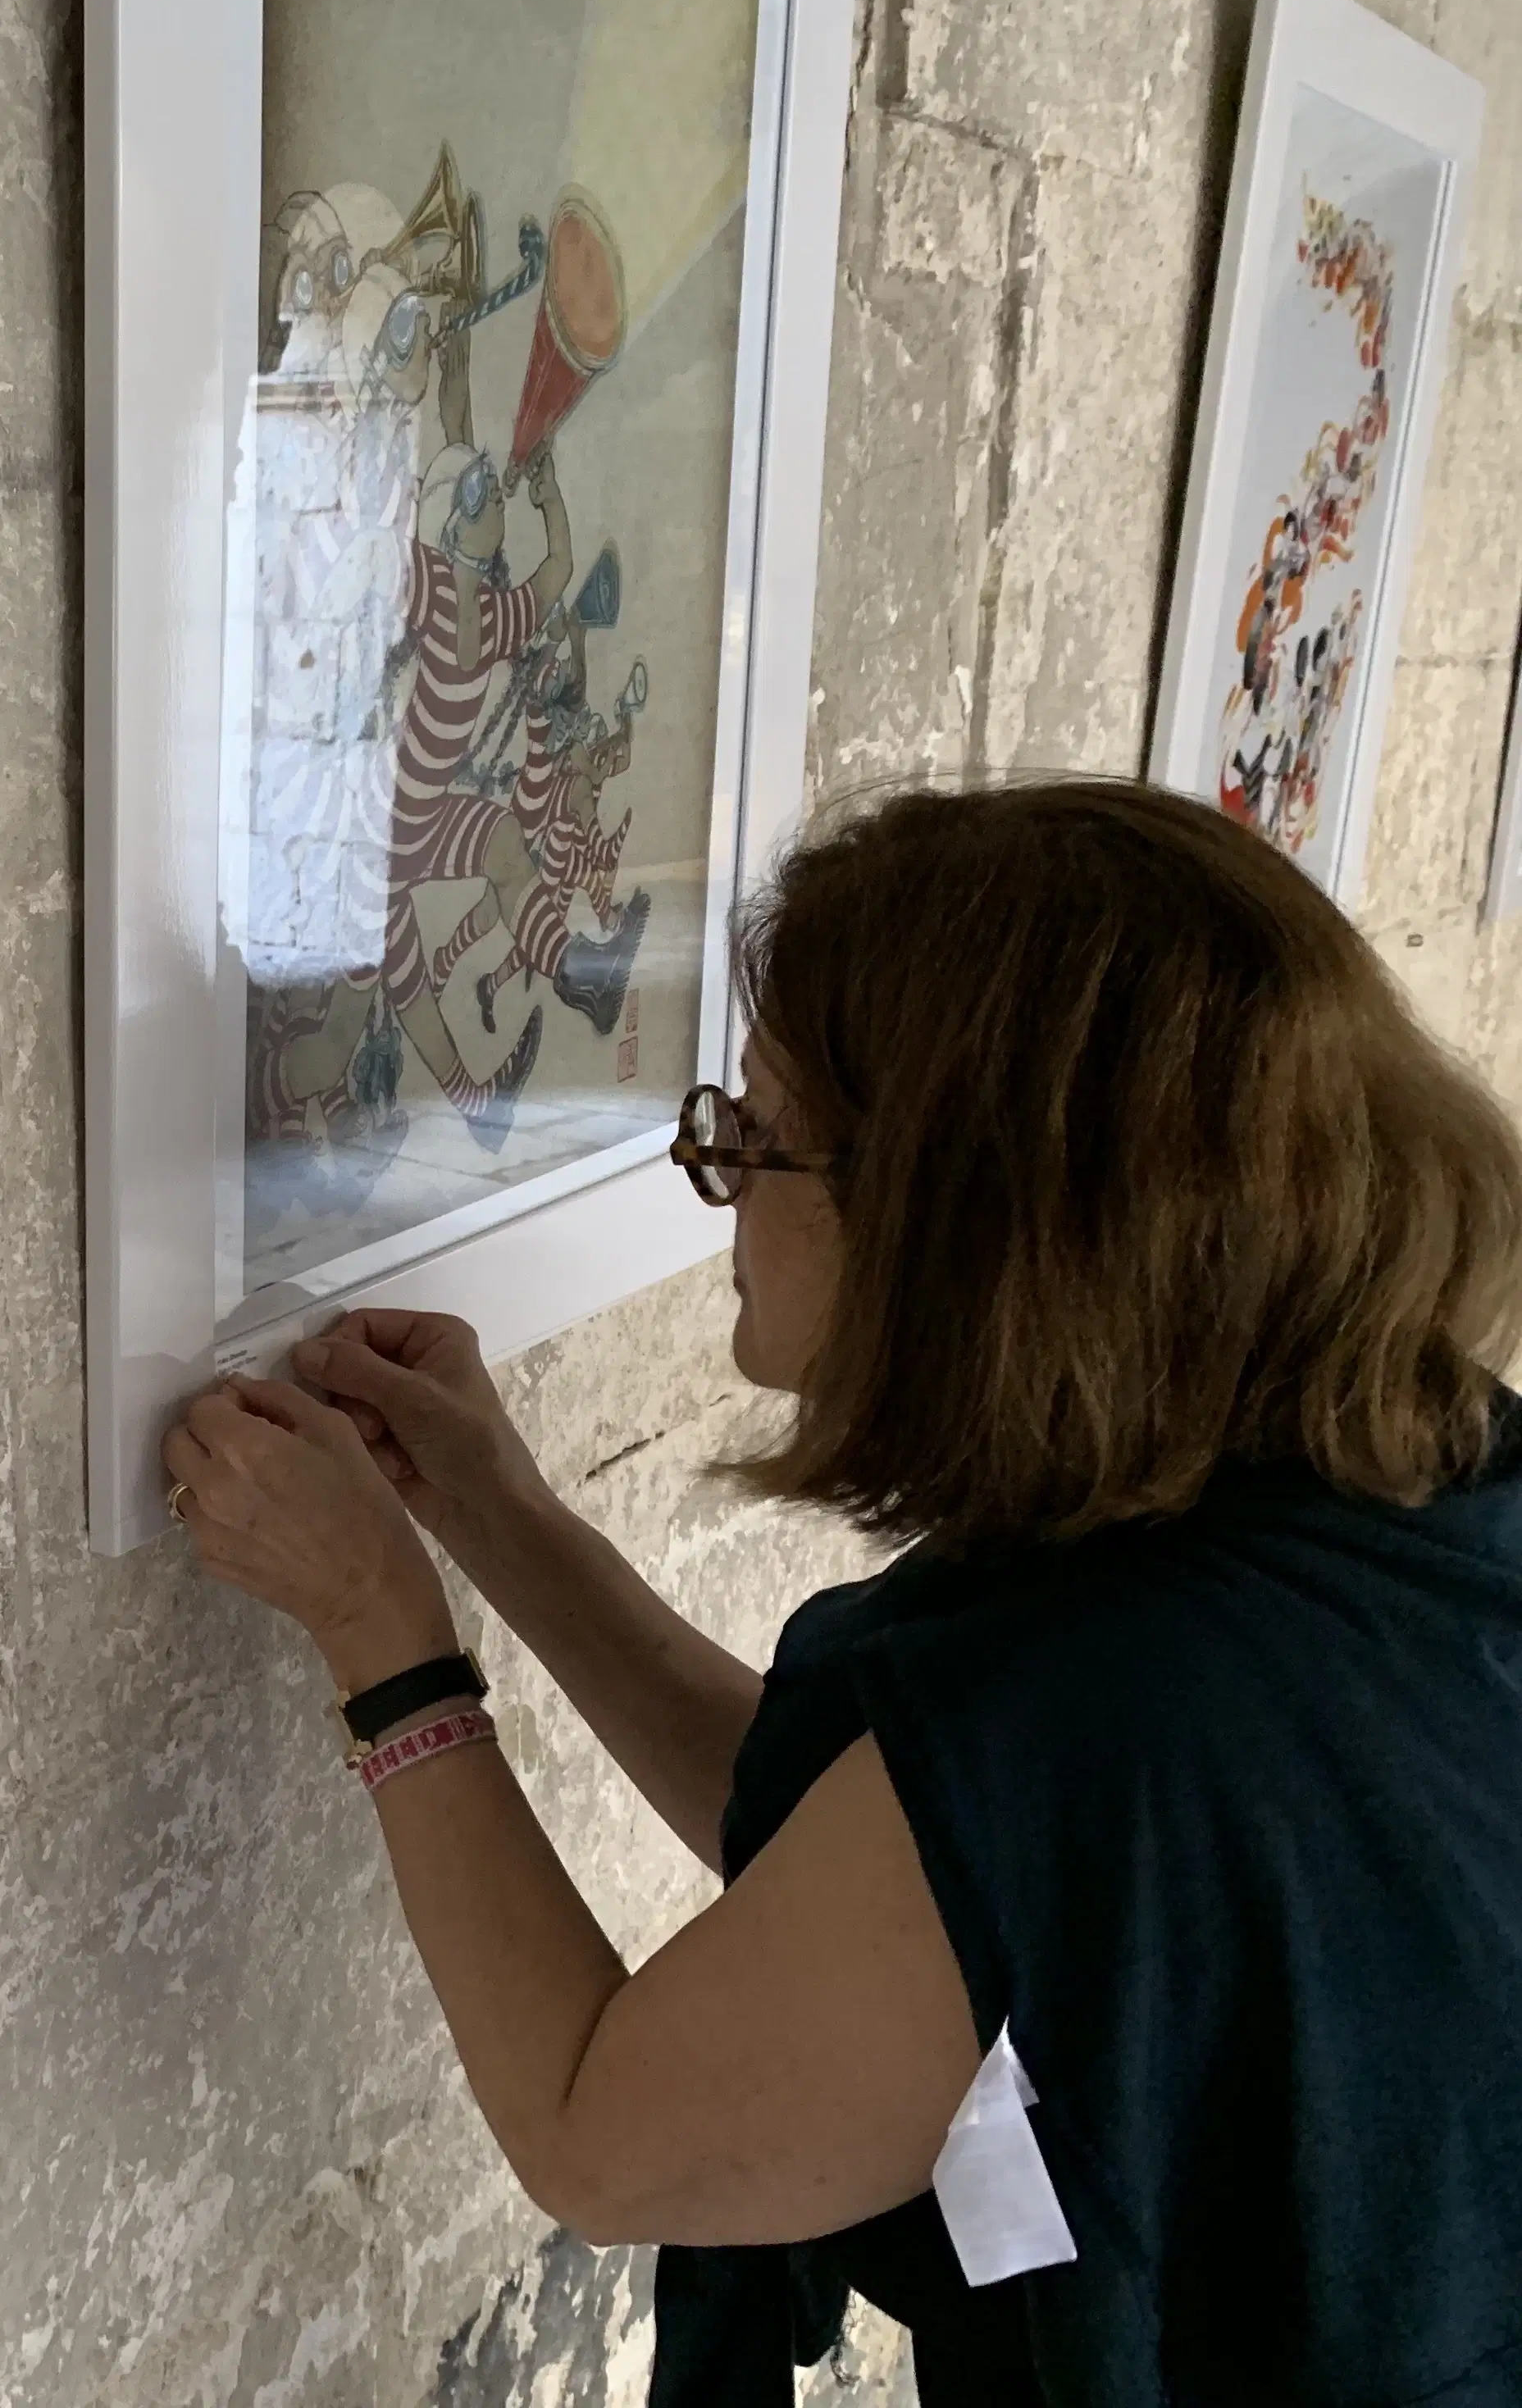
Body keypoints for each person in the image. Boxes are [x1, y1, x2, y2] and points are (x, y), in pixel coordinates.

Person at [159, 778, 1522, 2403]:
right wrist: (494, 1512)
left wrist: (387, 1646)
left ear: (966, 1220)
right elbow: (907, 1865)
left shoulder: (1124, 1711)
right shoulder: (1407, 1486)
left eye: (756, 1137)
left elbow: (612, 2140)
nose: (723, 1182)